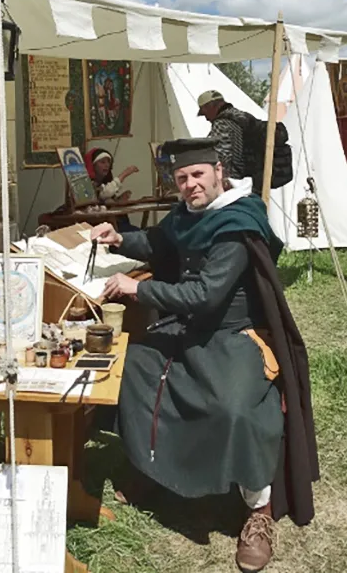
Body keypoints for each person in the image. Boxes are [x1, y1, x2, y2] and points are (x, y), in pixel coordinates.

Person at [89, 137, 318, 572]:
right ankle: (152, 469)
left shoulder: (237, 221)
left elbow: (209, 295)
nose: (190, 185)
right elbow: (160, 241)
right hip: (186, 326)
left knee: (236, 409)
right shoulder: (188, 214)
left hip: (233, 332)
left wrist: (140, 288)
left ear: (218, 171)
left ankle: (259, 509)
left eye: (197, 175)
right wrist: (120, 238)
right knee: (134, 368)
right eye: (182, 178)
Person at [84, 147, 139, 231]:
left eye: (108, 162)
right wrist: (125, 173)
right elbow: (105, 194)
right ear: (93, 165)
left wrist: (119, 200)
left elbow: (107, 199)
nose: (106, 165)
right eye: (102, 162)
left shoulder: (103, 183)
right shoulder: (87, 184)